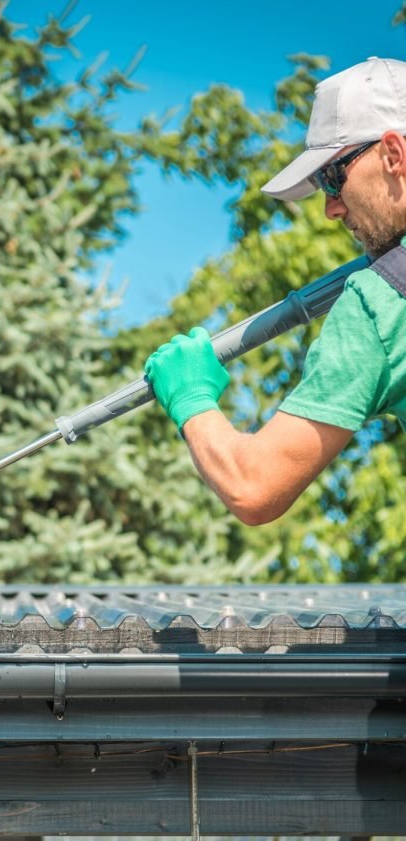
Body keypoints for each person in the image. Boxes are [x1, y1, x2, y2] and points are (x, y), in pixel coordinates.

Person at [144, 57, 406, 525]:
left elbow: (253, 486)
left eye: (332, 178)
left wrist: (191, 399)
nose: (331, 208)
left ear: (393, 154)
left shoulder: (382, 301)